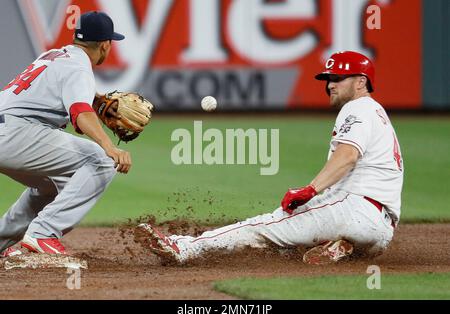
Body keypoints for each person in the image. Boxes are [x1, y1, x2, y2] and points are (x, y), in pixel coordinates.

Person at [135, 51, 404, 265]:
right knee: (290, 241)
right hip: (382, 230)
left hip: (352, 210)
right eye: (328, 79)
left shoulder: (357, 108)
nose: (331, 84)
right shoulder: (377, 114)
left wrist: (310, 190)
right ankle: (342, 246)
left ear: (361, 82)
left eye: (338, 79)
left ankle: (183, 248)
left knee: (264, 227)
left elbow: (348, 156)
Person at [0, 11, 131, 257]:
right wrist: (109, 147)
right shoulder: (79, 67)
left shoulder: (54, 55)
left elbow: (65, 93)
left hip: (10, 131)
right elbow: (80, 112)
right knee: (101, 160)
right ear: (105, 45)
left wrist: (97, 101)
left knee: (51, 184)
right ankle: (43, 233)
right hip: (15, 133)